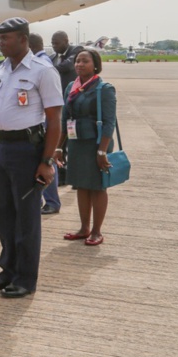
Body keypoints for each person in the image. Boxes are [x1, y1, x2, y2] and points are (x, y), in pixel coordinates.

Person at [0, 18, 62, 298]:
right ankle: (8, 271)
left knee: (26, 219)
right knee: (4, 215)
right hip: (3, 148)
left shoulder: (43, 71)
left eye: (6, 38)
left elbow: (54, 121)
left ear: (23, 40)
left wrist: (47, 161)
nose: (1, 43)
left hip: (28, 150)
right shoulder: (2, 68)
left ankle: (25, 278)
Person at [54, 49, 116, 246]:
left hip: (96, 144)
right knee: (81, 185)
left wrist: (102, 151)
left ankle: (97, 231)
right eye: (77, 61)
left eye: (85, 61)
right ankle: (84, 228)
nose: (79, 64)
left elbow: (109, 123)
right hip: (77, 143)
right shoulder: (72, 86)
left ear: (95, 65)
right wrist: (59, 147)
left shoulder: (104, 89)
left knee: (97, 186)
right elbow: (65, 119)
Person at [30, 33, 61, 214]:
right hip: (43, 118)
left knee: (48, 161)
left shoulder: (44, 65)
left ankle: (52, 201)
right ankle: (50, 200)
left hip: (44, 120)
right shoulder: (44, 62)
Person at [49, 30, 83, 192]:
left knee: (73, 140)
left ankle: (76, 176)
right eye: (53, 43)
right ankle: (62, 176)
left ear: (66, 41)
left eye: (57, 43)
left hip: (73, 108)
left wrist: (47, 69)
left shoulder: (76, 51)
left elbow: (66, 67)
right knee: (61, 142)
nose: (54, 46)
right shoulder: (52, 57)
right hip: (60, 108)